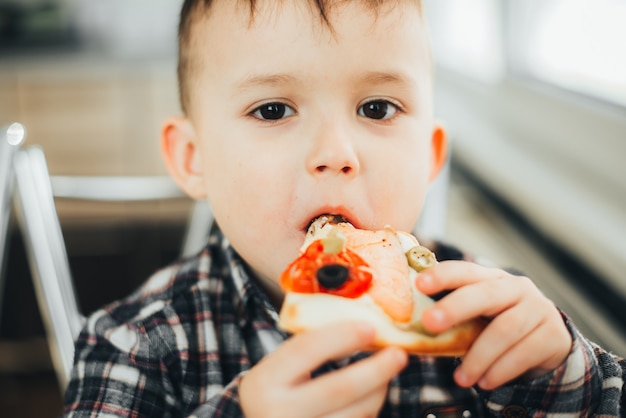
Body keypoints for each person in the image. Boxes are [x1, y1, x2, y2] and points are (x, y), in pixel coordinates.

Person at [63, 0, 625, 416]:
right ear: (194, 158)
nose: (336, 154)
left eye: (377, 108)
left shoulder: (485, 315)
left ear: (430, 157)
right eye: (273, 110)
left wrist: (563, 373)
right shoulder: (135, 344)